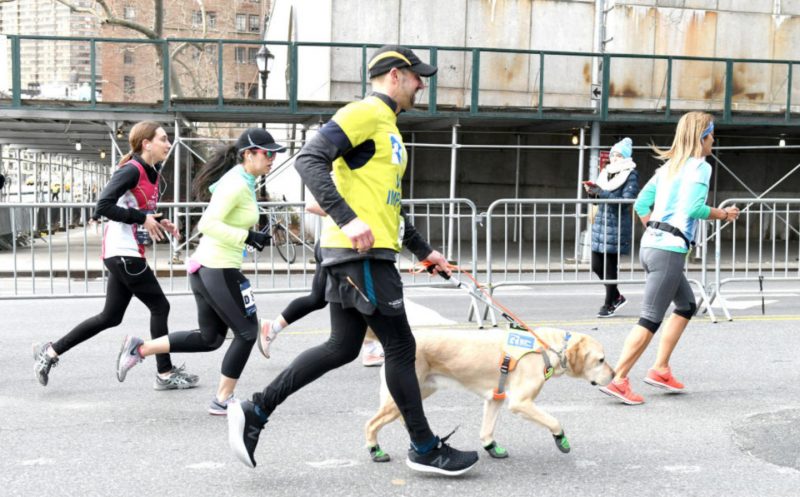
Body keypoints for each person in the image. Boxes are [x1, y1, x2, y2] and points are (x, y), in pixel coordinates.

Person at [228, 45, 479, 476]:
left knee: (343, 346)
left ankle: (256, 410)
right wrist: (348, 218)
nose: (422, 85)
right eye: (418, 77)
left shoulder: (390, 128)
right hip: (360, 254)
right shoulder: (364, 113)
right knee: (401, 346)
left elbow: (390, 206)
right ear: (396, 76)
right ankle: (423, 447)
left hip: (369, 251)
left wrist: (423, 251)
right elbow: (310, 160)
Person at [115, 128, 286, 415]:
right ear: (248, 154)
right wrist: (247, 237)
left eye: (274, 154)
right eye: (267, 153)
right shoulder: (235, 183)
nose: (272, 159)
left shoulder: (244, 180)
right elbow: (207, 224)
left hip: (210, 267)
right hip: (218, 267)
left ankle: (139, 349)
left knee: (211, 338)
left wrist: (249, 235)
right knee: (246, 332)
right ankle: (223, 399)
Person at [32, 120, 198, 390]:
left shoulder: (151, 172)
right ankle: (165, 373)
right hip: (124, 253)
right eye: (163, 139)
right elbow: (104, 206)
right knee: (160, 306)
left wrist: (158, 220)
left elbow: (136, 209)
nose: (168, 144)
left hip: (125, 252)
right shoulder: (130, 170)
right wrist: (141, 219)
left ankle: (49, 352)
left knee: (110, 316)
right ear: (147, 144)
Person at [599, 112, 740, 405]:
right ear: (703, 137)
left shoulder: (669, 168)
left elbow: (640, 204)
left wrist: (654, 229)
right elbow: (693, 208)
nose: (714, 140)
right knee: (650, 318)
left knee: (687, 305)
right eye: (712, 135)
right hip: (668, 251)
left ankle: (660, 368)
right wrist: (724, 215)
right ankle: (619, 379)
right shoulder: (701, 167)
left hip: (652, 247)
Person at [258, 200, 385, 367]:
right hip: (337, 247)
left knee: (322, 299)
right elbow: (312, 205)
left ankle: (272, 327)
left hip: (339, 246)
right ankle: (370, 349)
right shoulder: (340, 176)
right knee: (358, 297)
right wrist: (350, 217)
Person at [584, 137, 640, 318]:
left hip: (617, 226)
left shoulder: (630, 174)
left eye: (618, 155)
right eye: (612, 154)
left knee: (609, 267)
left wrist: (601, 192)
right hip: (601, 224)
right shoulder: (605, 173)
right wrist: (592, 194)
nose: (614, 158)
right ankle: (616, 296)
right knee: (595, 265)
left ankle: (609, 303)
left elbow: (625, 202)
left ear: (625, 156)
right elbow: (598, 201)